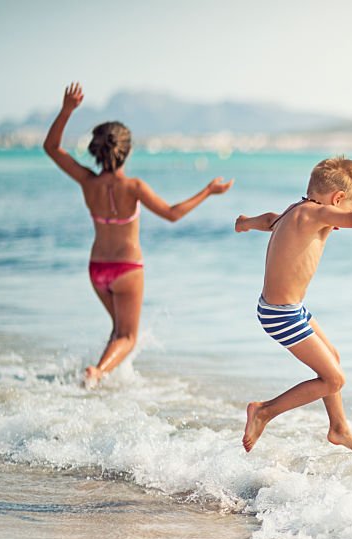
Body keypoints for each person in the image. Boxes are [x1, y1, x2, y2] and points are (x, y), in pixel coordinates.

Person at [43, 82, 233, 386]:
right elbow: (172, 214)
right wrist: (208, 191)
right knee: (128, 337)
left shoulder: (88, 182)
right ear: (126, 151)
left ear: (96, 149)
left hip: (97, 270)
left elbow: (51, 148)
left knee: (118, 331)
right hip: (127, 269)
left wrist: (66, 111)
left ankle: (103, 386)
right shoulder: (133, 187)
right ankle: (97, 373)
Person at [234, 156, 352, 454]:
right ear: (336, 200)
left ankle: (338, 428)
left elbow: (269, 220)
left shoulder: (295, 210)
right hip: (281, 315)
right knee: (334, 379)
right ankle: (264, 412)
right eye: (342, 211)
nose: (337, 223)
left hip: (288, 309)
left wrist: (245, 223)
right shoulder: (316, 214)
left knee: (332, 358)